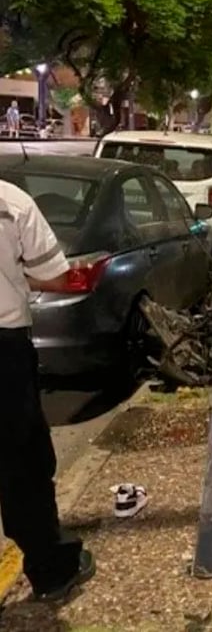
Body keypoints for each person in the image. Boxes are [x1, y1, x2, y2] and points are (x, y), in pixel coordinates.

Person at [0, 179, 96, 602]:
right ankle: (51, 569)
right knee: (22, 463)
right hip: (3, 348)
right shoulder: (10, 202)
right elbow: (54, 276)